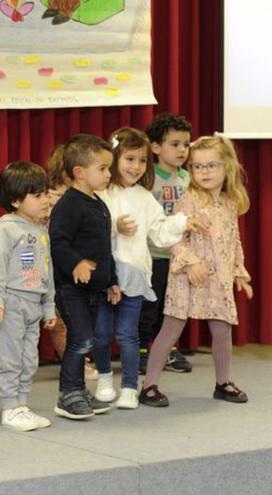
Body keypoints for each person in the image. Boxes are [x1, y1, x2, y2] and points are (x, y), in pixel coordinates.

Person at [93, 127, 205, 409]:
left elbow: (159, 232)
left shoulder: (143, 196)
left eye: (142, 161)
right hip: (105, 277)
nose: (136, 166)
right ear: (115, 157)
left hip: (134, 275)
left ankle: (130, 386)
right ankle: (105, 379)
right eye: (129, 159)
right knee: (103, 332)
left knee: (128, 334)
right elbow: (88, 233)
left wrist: (181, 222)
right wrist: (113, 228)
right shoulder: (101, 194)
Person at [140, 135, 252, 407]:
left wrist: (239, 271)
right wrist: (191, 262)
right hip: (187, 276)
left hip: (218, 278)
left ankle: (223, 382)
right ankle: (149, 386)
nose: (205, 172)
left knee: (222, 329)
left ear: (227, 167)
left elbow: (233, 238)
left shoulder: (229, 201)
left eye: (211, 165)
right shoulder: (189, 200)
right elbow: (174, 238)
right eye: (198, 167)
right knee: (171, 329)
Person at [48, 134, 119, 420]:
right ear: (79, 172)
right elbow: (58, 242)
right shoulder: (69, 205)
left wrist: (112, 279)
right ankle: (68, 394)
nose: (108, 174)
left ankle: (78, 391)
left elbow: (104, 247)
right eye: (102, 168)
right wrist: (75, 263)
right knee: (80, 339)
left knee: (87, 339)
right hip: (71, 288)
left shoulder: (99, 203)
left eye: (108, 168)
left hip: (94, 288)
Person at [0, 161, 56, 431]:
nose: (46, 200)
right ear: (15, 200)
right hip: (11, 303)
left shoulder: (40, 231)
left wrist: (49, 307)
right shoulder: (7, 229)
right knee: (12, 359)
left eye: (46, 193)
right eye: (37, 196)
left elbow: (46, 271)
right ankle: (9, 408)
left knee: (29, 360)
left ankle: (21, 404)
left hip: (34, 305)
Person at [138, 113, 194, 374]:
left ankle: (169, 349)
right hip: (155, 254)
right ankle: (140, 350)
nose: (182, 150)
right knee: (150, 306)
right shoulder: (148, 179)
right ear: (156, 147)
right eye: (175, 144)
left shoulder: (189, 178)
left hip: (181, 257)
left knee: (173, 306)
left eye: (186, 144)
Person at [46, 145, 99, 380]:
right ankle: (76, 364)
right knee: (58, 320)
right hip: (50, 265)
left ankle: (79, 360)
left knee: (73, 319)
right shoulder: (52, 196)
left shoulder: (86, 198)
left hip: (72, 265)